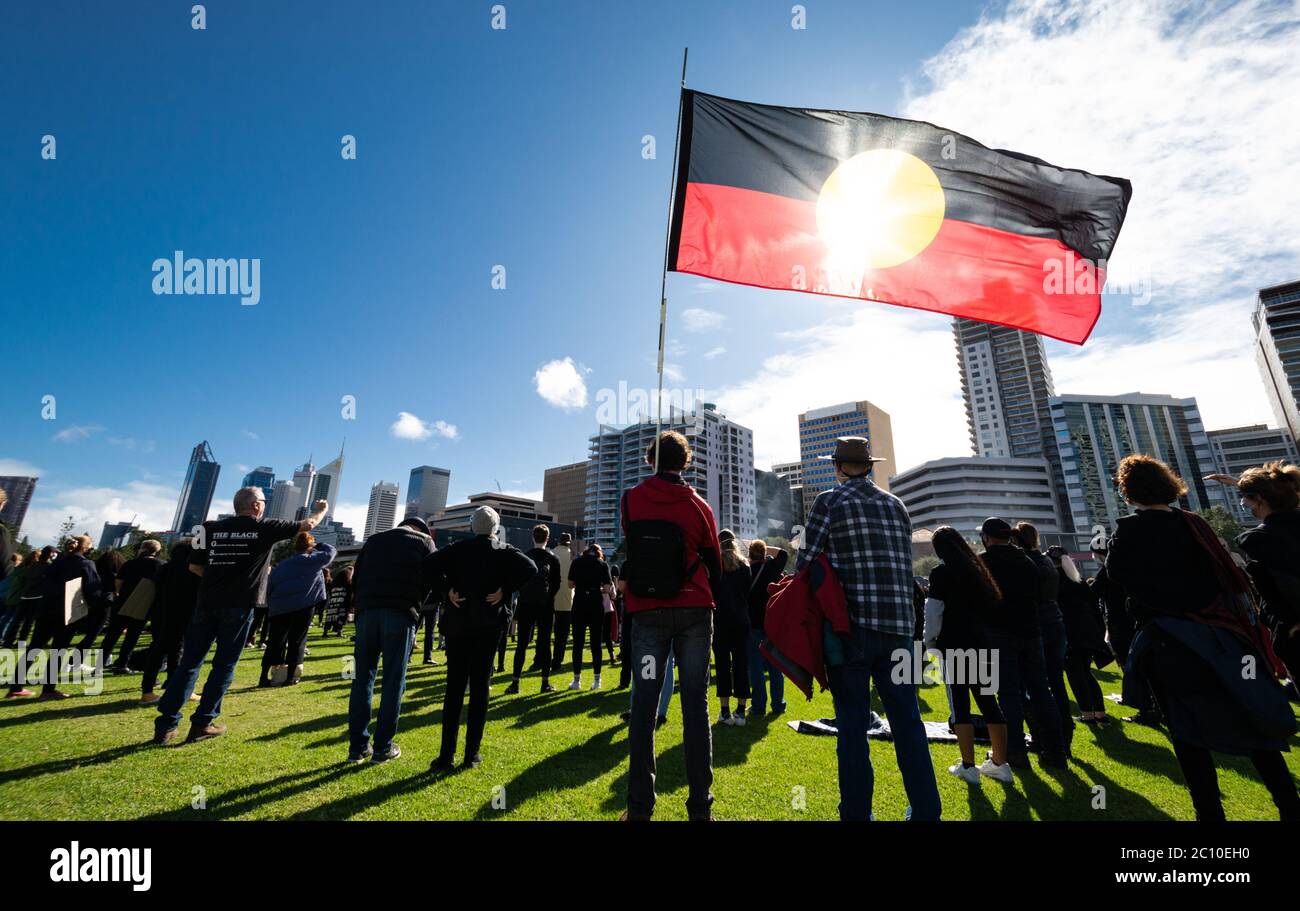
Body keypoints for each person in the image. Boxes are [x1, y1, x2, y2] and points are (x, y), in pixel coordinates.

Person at [1108, 454, 1298, 821]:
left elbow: (1119, 577)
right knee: (1248, 716)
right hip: (1221, 633)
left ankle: (1209, 814)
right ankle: (1289, 804)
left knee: (1186, 730)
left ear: (1129, 493)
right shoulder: (1194, 525)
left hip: (1169, 639)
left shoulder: (1129, 531)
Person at [799, 436, 941, 821]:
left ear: (838, 467)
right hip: (899, 629)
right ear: (871, 466)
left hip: (852, 630)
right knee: (908, 721)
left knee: (852, 725)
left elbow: (804, 560)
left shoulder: (830, 501)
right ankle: (928, 810)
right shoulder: (896, 505)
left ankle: (858, 813)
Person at [152, 489, 326, 745]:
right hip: (240, 605)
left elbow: (194, 566)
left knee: (189, 662)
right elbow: (307, 525)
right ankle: (203, 722)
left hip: (207, 603)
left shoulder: (205, 528)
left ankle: (165, 726)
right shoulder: (266, 527)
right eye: (264, 503)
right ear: (256, 506)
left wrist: (218, 581)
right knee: (223, 664)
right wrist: (321, 509)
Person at [620, 430, 720, 821]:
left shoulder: (630, 499)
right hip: (694, 610)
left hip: (648, 613)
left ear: (650, 460)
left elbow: (634, 541)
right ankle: (700, 808)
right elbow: (713, 562)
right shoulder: (699, 505)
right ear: (686, 462)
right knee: (695, 704)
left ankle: (639, 808)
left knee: (644, 706)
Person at [427, 507, 536, 771]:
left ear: (472, 526)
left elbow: (428, 565)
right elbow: (531, 569)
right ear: (495, 528)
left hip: (459, 624)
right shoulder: (503, 551)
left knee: (454, 688)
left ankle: (446, 756)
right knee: (479, 688)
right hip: (488, 625)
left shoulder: (457, 549)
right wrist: (506, 589)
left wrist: (446, 591)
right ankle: (471, 754)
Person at [923, 526, 1011, 784]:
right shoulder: (979, 570)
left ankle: (968, 765)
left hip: (954, 644)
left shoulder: (941, 573)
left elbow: (933, 612)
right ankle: (999, 762)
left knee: (959, 704)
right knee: (988, 702)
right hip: (981, 642)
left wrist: (930, 642)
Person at [978, 516, 1068, 770]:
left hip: (998, 632)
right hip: (1030, 632)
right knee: (1041, 690)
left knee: (1008, 694)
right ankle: (1055, 750)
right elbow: (1040, 594)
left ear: (986, 538)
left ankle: (1015, 751)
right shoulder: (1026, 560)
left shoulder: (983, 563)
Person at [346, 516, 436, 763]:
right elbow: (433, 579)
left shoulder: (374, 540)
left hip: (367, 613)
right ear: (420, 529)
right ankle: (383, 746)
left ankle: (357, 747)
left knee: (361, 679)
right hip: (400, 612)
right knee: (394, 681)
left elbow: (356, 576)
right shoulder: (425, 542)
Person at [1207, 462, 1300, 681]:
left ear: (1259, 499)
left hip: (1294, 630)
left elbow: (1284, 584)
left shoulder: (1261, 539)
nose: (1244, 504)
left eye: (1246, 499)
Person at [8, 535, 101, 700]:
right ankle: (48, 689)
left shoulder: (57, 562)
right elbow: (93, 590)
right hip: (67, 610)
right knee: (58, 650)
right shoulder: (86, 564)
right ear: (86, 548)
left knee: (35, 646)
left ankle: (15, 686)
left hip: (46, 608)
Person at [1012, 522, 1074, 753]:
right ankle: (1064, 731)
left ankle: (1043, 735)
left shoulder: (1023, 563)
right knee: (1056, 681)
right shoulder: (1047, 561)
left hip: (1036, 625)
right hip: (1055, 622)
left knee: (1033, 684)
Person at [262, 533, 335, 687]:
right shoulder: (312, 561)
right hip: (303, 606)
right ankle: (290, 677)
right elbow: (331, 551)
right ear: (310, 547)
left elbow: (270, 587)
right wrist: (318, 546)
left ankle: (264, 676)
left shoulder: (282, 565)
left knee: (275, 641)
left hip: (279, 607)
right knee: (297, 640)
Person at [1050, 546, 1111, 724]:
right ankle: (1099, 712)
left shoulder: (1056, 582)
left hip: (1070, 634)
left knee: (1075, 675)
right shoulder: (1078, 580)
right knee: (1086, 673)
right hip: (1087, 633)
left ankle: (1087, 713)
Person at [140, 540, 201, 705]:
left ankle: (148, 690)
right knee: (177, 651)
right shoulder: (191, 569)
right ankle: (178, 688)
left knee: (160, 649)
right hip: (182, 613)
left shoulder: (165, 567)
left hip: (160, 613)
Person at [506, 524, 561, 694]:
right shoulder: (553, 558)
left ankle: (515, 682)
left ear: (533, 537)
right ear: (547, 538)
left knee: (521, 643)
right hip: (544, 605)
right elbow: (556, 584)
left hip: (526, 603)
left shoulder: (526, 556)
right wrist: (548, 597)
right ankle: (545, 682)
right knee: (544, 643)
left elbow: (517, 580)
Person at [101, 540, 165, 673]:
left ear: (142, 548)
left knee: (113, 634)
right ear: (157, 551)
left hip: (123, 601)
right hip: (144, 603)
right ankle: (122, 663)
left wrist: (120, 593)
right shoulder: (161, 565)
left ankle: (101, 662)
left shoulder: (130, 563)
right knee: (132, 636)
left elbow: (118, 582)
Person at [746, 539, 788, 717]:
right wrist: (764, 548)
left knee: (755, 667)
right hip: (771, 623)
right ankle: (778, 704)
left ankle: (758, 705)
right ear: (764, 554)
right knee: (775, 665)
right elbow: (783, 553)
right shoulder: (772, 569)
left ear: (750, 555)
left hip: (753, 624)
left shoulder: (746, 571)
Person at [713, 529, 751, 725]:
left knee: (722, 666)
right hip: (741, 620)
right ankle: (741, 711)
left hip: (720, 620)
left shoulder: (715, 565)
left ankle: (725, 711)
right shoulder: (745, 565)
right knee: (741, 665)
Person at [567, 543, 613, 690]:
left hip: (579, 602)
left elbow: (570, 584)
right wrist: (596, 588)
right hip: (595, 603)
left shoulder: (577, 562)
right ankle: (597, 680)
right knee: (595, 644)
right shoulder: (602, 564)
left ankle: (576, 680)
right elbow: (607, 588)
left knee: (577, 644)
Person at [3, 546, 53, 650]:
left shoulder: (31, 566)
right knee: (28, 623)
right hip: (37, 597)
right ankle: (20, 644)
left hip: (25, 596)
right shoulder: (48, 567)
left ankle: (8, 641)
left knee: (17, 621)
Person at [550, 532, 576, 674]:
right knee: (561, 636)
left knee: (545, 633)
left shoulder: (551, 553)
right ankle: (556, 663)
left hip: (550, 599)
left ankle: (539, 660)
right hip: (567, 601)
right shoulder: (574, 555)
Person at [323, 564, 354, 637]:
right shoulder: (347, 581)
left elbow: (330, 591)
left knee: (330, 616)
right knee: (341, 616)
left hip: (333, 601)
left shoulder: (335, 581)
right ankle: (339, 632)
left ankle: (325, 632)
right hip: (342, 601)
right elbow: (349, 592)